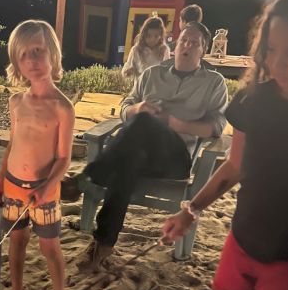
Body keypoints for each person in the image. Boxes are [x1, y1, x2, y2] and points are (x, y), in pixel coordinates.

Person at [162, 0, 288, 290]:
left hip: (287, 257)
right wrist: (190, 210)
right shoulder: (254, 100)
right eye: (272, 50)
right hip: (243, 238)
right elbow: (234, 166)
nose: (277, 64)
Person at [62, 22, 228, 269]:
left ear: (203, 50)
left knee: (143, 123)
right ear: (175, 45)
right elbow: (125, 107)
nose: (187, 45)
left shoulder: (213, 83)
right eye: (184, 40)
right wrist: (138, 108)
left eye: (194, 43)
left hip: (175, 158)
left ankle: (86, 178)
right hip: (139, 152)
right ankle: (103, 243)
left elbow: (216, 127)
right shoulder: (152, 74)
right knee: (130, 157)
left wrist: (173, 123)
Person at [0, 19, 77, 290]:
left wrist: (46, 186)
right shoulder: (16, 102)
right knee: (17, 240)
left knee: (49, 247)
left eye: (38, 51)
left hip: (45, 191)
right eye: (24, 54)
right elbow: (12, 146)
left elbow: (64, 159)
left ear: (53, 53)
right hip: (13, 187)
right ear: (17, 61)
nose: (33, 60)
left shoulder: (62, 107)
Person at [122, 16, 170, 81]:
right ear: (143, 35)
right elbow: (127, 67)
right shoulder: (136, 49)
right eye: (149, 36)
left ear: (161, 36)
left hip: (156, 87)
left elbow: (167, 71)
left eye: (156, 36)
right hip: (139, 86)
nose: (152, 39)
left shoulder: (164, 50)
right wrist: (128, 71)